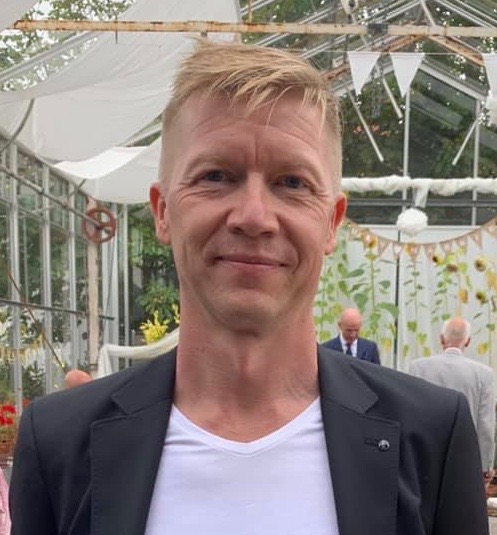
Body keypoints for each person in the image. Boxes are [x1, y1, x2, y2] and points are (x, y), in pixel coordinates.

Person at [11, 39, 488, 535]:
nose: (255, 217)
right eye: (216, 176)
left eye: (293, 183)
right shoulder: (59, 441)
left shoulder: (430, 435)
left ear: (332, 222)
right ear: (163, 212)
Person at [410, 317, 496, 486]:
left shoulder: (418, 368)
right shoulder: (484, 374)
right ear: (468, 341)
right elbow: (486, 424)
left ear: (441, 339)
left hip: (425, 453)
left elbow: (410, 413)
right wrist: (486, 464)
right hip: (465, 455)